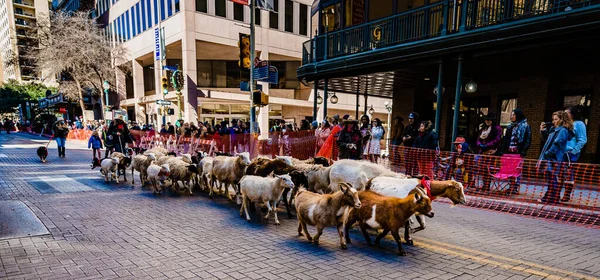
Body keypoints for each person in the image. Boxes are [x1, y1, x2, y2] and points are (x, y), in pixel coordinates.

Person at [538, 111, 573, 204]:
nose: (554, 121)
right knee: (551, 177)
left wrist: (548, 153)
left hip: (554, 158)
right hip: (551, 157)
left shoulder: (563, 130)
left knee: (552, 178)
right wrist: (543, 130)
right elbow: (547, 140)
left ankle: (551, 197)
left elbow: (557, 144)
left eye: (556, 119)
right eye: (553, 119)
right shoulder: (554, 129)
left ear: (562, 120)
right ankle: (554, 196)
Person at [501, 108, 532, 194]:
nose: (511, 116)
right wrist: (503, 149)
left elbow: (528, 139)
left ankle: (515, 187)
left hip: (518, 151)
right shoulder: (510, 126)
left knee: (517, 170)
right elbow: (506, 138)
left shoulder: (525, 126)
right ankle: (511, 185)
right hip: (509, 151)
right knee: (510, 170)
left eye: (513, 115)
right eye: (511, 114)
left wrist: (524, 150)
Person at [561, 106, 587, 202]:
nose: (564, 115)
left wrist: (573, 152)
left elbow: (582, 140)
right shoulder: (564, 124)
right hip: (561, 152)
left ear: (572, 114)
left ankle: (566, 194)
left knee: (568, 174)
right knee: (559, 173)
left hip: (570, 153)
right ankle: (556, 193)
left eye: (566, 113)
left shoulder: (579, 124)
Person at [474, 112, 503, 191]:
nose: (487, 121)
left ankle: (486, 186)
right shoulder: (483, 128)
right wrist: (480, 145)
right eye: (486, 120)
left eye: (489, 120)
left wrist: (487, 145)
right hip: (482, 152)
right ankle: (482, 185)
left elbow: (497, 139)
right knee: (482, 169)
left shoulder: (497, 128)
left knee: (488, 169)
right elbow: (478, 139)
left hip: (491, 152)